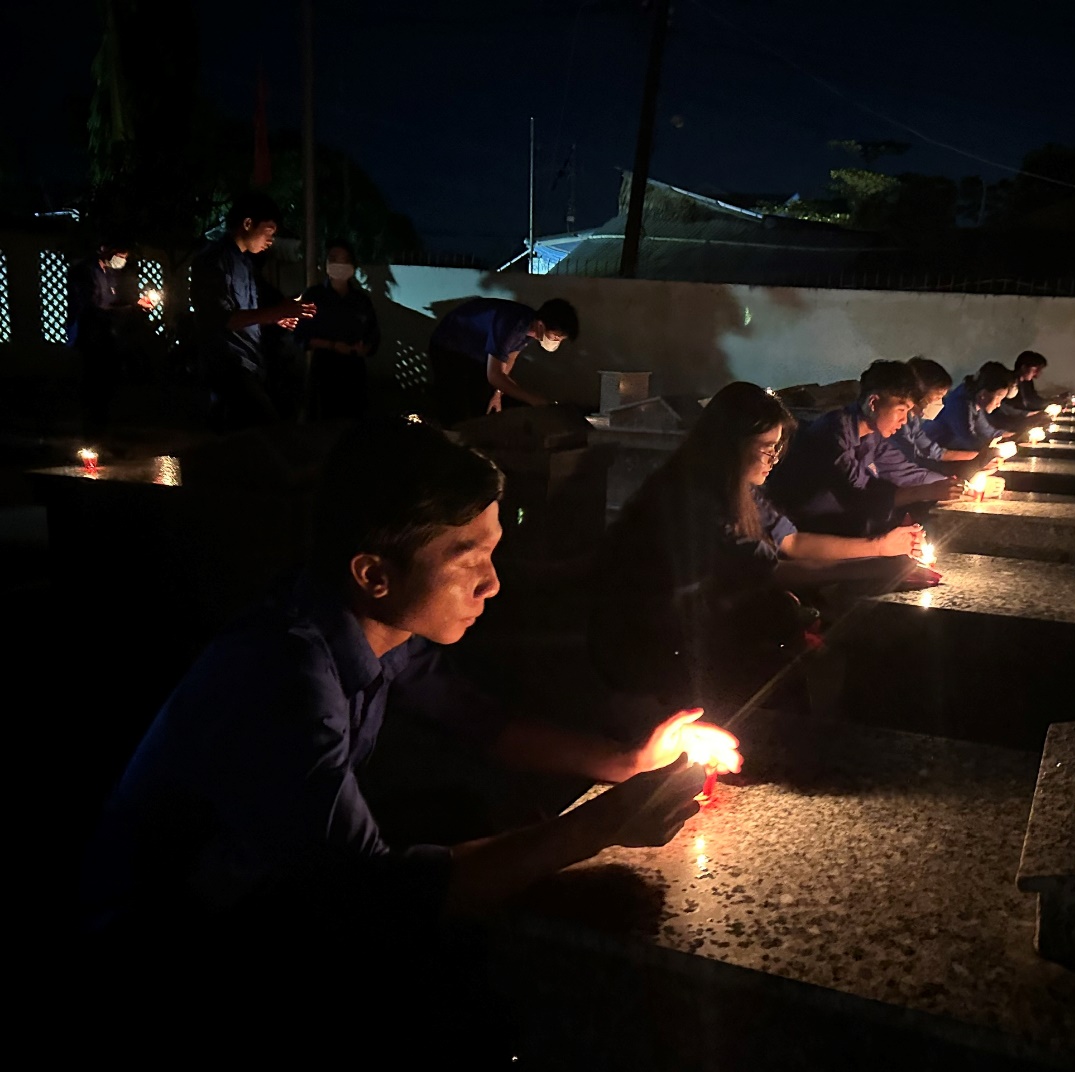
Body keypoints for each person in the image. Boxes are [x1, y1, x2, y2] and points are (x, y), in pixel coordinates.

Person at [81, 415, 737, 1042]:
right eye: (467, 557)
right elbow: (376, 895)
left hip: (270, 885)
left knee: (470, 816)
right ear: (373, 572)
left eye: (493, 552)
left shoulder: (371, 628)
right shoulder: (285, 674)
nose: (493, 585)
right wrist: (601, 825)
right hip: (176, 941)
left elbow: (484, 724)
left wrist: (629, 760)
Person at [591, 382, 928, 708]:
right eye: (767, 447)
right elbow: (774, 572)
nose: (774, 459)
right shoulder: (693, 497)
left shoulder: (741, 489)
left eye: (778, 448)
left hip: (702, 627)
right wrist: (877, 562)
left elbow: (794, 543)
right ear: (730, 444)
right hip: (658, 646)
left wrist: (882, 547)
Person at [765, 360, 958, 537]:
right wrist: (925, 492)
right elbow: (858, 497)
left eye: (908, 411)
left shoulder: (872, 435)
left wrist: (951, 485)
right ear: (873, 403)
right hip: (799, 530)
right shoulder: (833, 433)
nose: (904, 419)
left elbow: (903, 470)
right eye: (901, 410)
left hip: (839, 522)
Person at [189, 192, 315, 433]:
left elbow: (253, 310)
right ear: (248, 224)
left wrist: (277, 315)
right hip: (227, 367)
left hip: (249, 364)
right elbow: (222, 319)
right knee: (262, 433)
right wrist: (276, 312)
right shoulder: (212, 261)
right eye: (269, 230)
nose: (272, 239)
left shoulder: (246, 264)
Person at [428, 296, 579, 423]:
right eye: (556, 337)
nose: (556, 342)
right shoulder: (513, 324)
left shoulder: (530, 330)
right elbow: (494, 375)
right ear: (541, 325)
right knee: (456, 404)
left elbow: (508, 360)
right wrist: (536, 401)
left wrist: (497, 393)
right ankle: (452, 442)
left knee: (483, 401)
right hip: (448, 346)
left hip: (475, 354)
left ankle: (473, 442)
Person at [65, 239, 155, 438]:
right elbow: (93, 309)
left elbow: (112, 302)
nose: (122, 260)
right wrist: (131, 309)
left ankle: (102, 436)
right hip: (89, 337)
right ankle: (91, 438)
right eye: (120, 255)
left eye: (124, 257)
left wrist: (136, 302)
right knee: (92, 388)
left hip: (106, 337)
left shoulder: (109, 273)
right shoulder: (85, 272)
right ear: (105, 249)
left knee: (106, 388)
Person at [296, 238, 380, 421]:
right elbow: (301, 336)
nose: (339, 264)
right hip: (324, 371)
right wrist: (332, 345)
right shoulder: (314, 296)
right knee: (322, 424)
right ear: (325, 263)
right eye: (334, 258)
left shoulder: (361, 300)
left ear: (353, 265)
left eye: (345, 260)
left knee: (352, 427)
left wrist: (365, 348)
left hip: (354, 372)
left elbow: (374, 336)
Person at [876, 356, 987, 486]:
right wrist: (958, 482)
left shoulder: (913, 419)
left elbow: (931, 451)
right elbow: (911, 462)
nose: (940, 403)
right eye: (938, 397)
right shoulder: (895, 424)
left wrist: (978, 458)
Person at [927, 361, 1018, 459]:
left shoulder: (974, 401)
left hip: (949, 452)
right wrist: (994, 450)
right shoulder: (960, 403)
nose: (999, 404)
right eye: (998, 398)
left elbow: (985, 429)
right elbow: (969, 440)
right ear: (983, 394)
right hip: (933, 455)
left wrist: (1010, 436)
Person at [997, 350, 1070, 428]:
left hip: (1022, 422)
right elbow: (1006, 408)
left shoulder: (1027, 382)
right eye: (1036, 370)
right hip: (1009, 425)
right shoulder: (1008, 383)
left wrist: (1052, 401)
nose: (1037, 374)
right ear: (1024, 367)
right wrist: (1033, 414)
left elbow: (1034, 400)